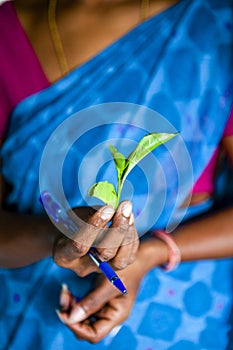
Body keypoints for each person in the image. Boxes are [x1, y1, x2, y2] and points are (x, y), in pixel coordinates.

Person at [0, 0, 232, 349]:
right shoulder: (6, 32)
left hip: (175, 317)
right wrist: (60, 236)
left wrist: (151, 253)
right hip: (29, 317)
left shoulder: (213, 24)